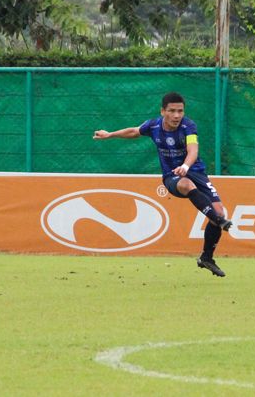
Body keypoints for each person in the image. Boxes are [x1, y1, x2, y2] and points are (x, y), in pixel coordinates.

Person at [93, 92, 233, 277]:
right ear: (163, 111)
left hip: (196, 172)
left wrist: (185, 165)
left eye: (180, 111)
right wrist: (110, 135)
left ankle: (206, 257)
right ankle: (218, 221)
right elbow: (134, 131)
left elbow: (193, 149)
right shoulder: (154, 125)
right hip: (172, 177)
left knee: (219, 211)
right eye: (172, 111)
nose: (176, 115)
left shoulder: (188, 126)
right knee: (186, 184)